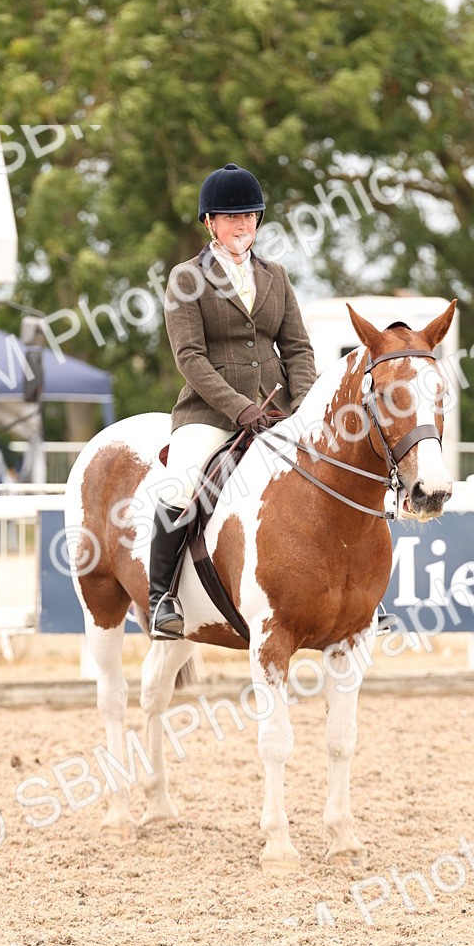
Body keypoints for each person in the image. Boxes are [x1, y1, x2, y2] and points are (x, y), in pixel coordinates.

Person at [149, 162, 317, 639]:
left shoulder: (276, 276)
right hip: (211, 412)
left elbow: (299, 348)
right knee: (181, 486)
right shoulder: (186, 278)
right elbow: (190, 357)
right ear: (210, 223)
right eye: (230, 217)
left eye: (249, 216)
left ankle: (360, 596)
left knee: (331, 472)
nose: (242, 225)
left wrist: (302, 407)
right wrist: (240, 409)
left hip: (278, 408)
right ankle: (162, 595)